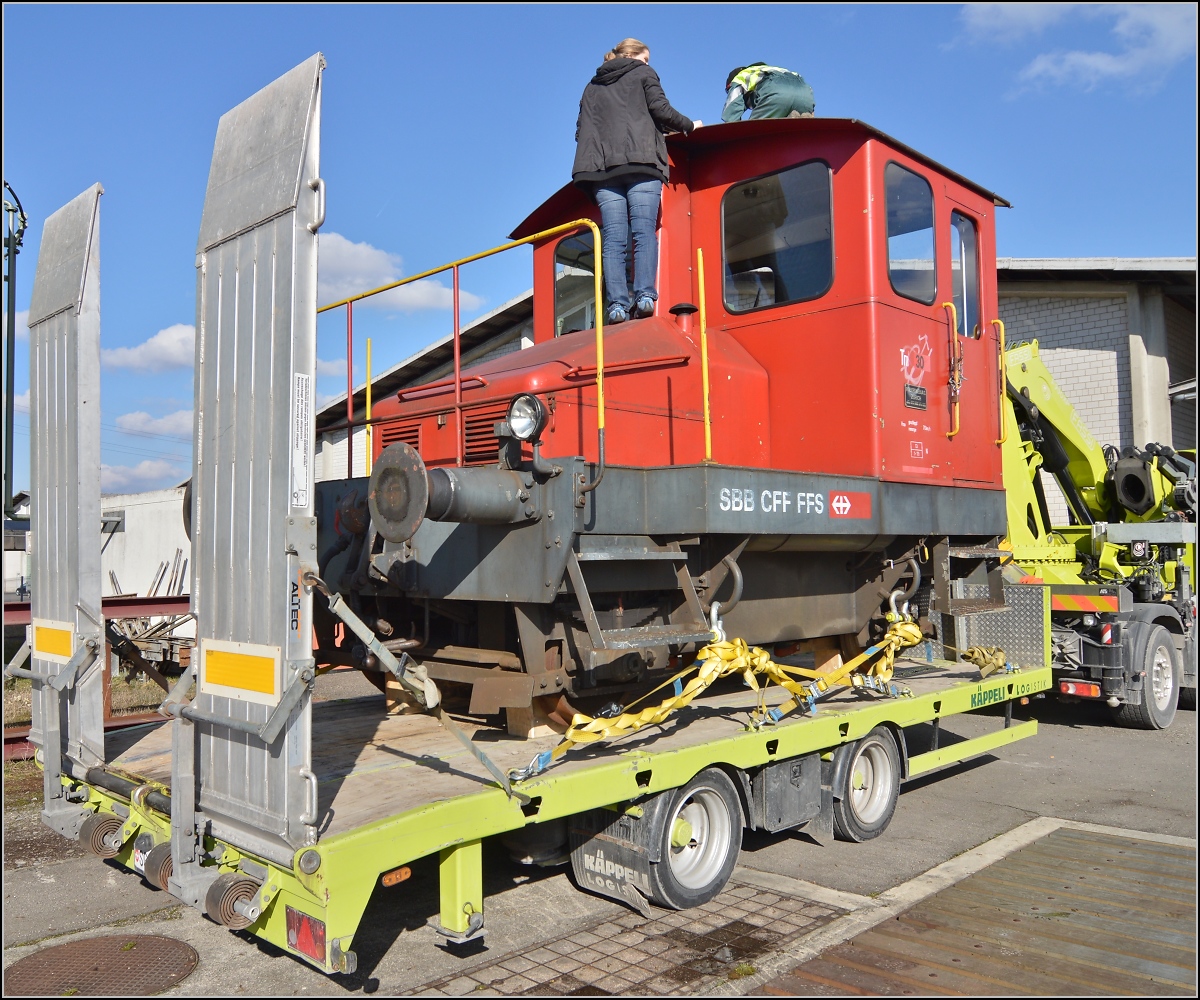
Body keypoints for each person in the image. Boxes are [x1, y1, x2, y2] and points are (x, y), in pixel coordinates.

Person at [573, 38, 700, 324]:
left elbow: (581, 131)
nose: (648, 64)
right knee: (643, 233)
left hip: (602, 170)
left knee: (614, 240)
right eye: (646, 58)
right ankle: (644, 297)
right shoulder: (643, 72)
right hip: (641, 163)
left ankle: (617, 306)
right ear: (634, 56)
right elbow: (661, 110)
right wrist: (690, 126)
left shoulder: (592, 86)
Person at [722, 63, 815, 122]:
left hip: (775, 91)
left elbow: (731, 115)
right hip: (805, 94)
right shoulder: (766, 70)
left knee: (754, 134)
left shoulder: (740, 77)